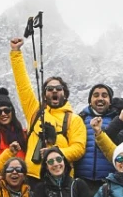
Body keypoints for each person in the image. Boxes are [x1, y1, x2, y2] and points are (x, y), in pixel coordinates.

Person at [8, 37, 86, 183]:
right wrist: (15, 52)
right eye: (50, 89)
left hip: (61, 178)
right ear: (44, 94)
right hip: (33, 177)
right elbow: (22, 85)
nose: (54, 91)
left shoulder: (73, 119)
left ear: (65, 93)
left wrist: (55, 152)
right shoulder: (35, 111)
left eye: (58, 89)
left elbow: (79, 149)